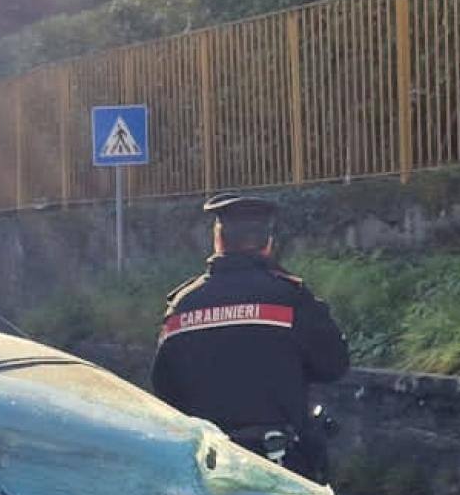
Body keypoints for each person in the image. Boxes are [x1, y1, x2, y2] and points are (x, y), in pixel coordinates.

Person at [149, 195, 349, 478]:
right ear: (268, 243)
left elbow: (165, 392)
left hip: (209, 471)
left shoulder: (183, 305)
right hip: (281, 466)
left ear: (218, 241)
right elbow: (334, 365)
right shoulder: (290, 297)